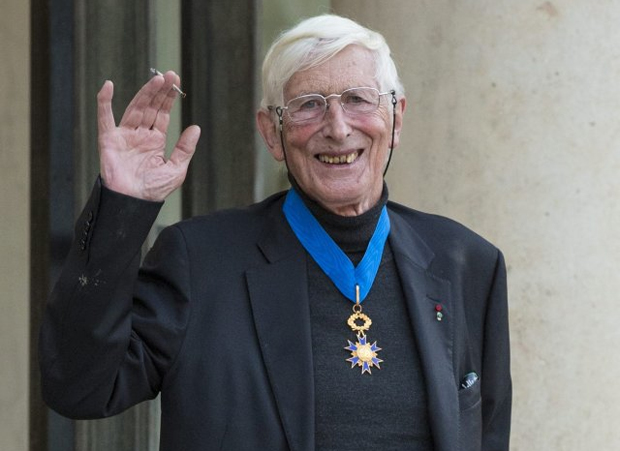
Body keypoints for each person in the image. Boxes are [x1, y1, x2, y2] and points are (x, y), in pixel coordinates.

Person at [40, 14, 511, 451]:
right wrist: (121, 208)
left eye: (358, 99)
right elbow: (80, 388)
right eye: (308, 106)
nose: (338, 128)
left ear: (397, 117)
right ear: (272, 133)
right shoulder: (202, 262)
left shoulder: (466, 262)